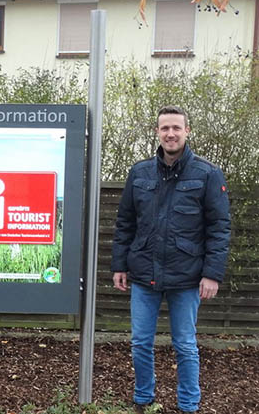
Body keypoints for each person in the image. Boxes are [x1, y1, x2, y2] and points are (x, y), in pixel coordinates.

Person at [111, 105, 230, 414]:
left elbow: (219, 227)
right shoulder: (139, 172)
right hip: (143, 273)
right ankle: (143, 399)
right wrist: (119, 265)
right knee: (139, 343)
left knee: (185, 346)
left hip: (187, 276)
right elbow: (125, 222)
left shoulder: (207, 173)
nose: (171, 133)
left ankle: (189, 406)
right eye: (165, 128)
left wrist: (212, 274)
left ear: (187, 131)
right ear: (157, 132)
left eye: (176, 128)